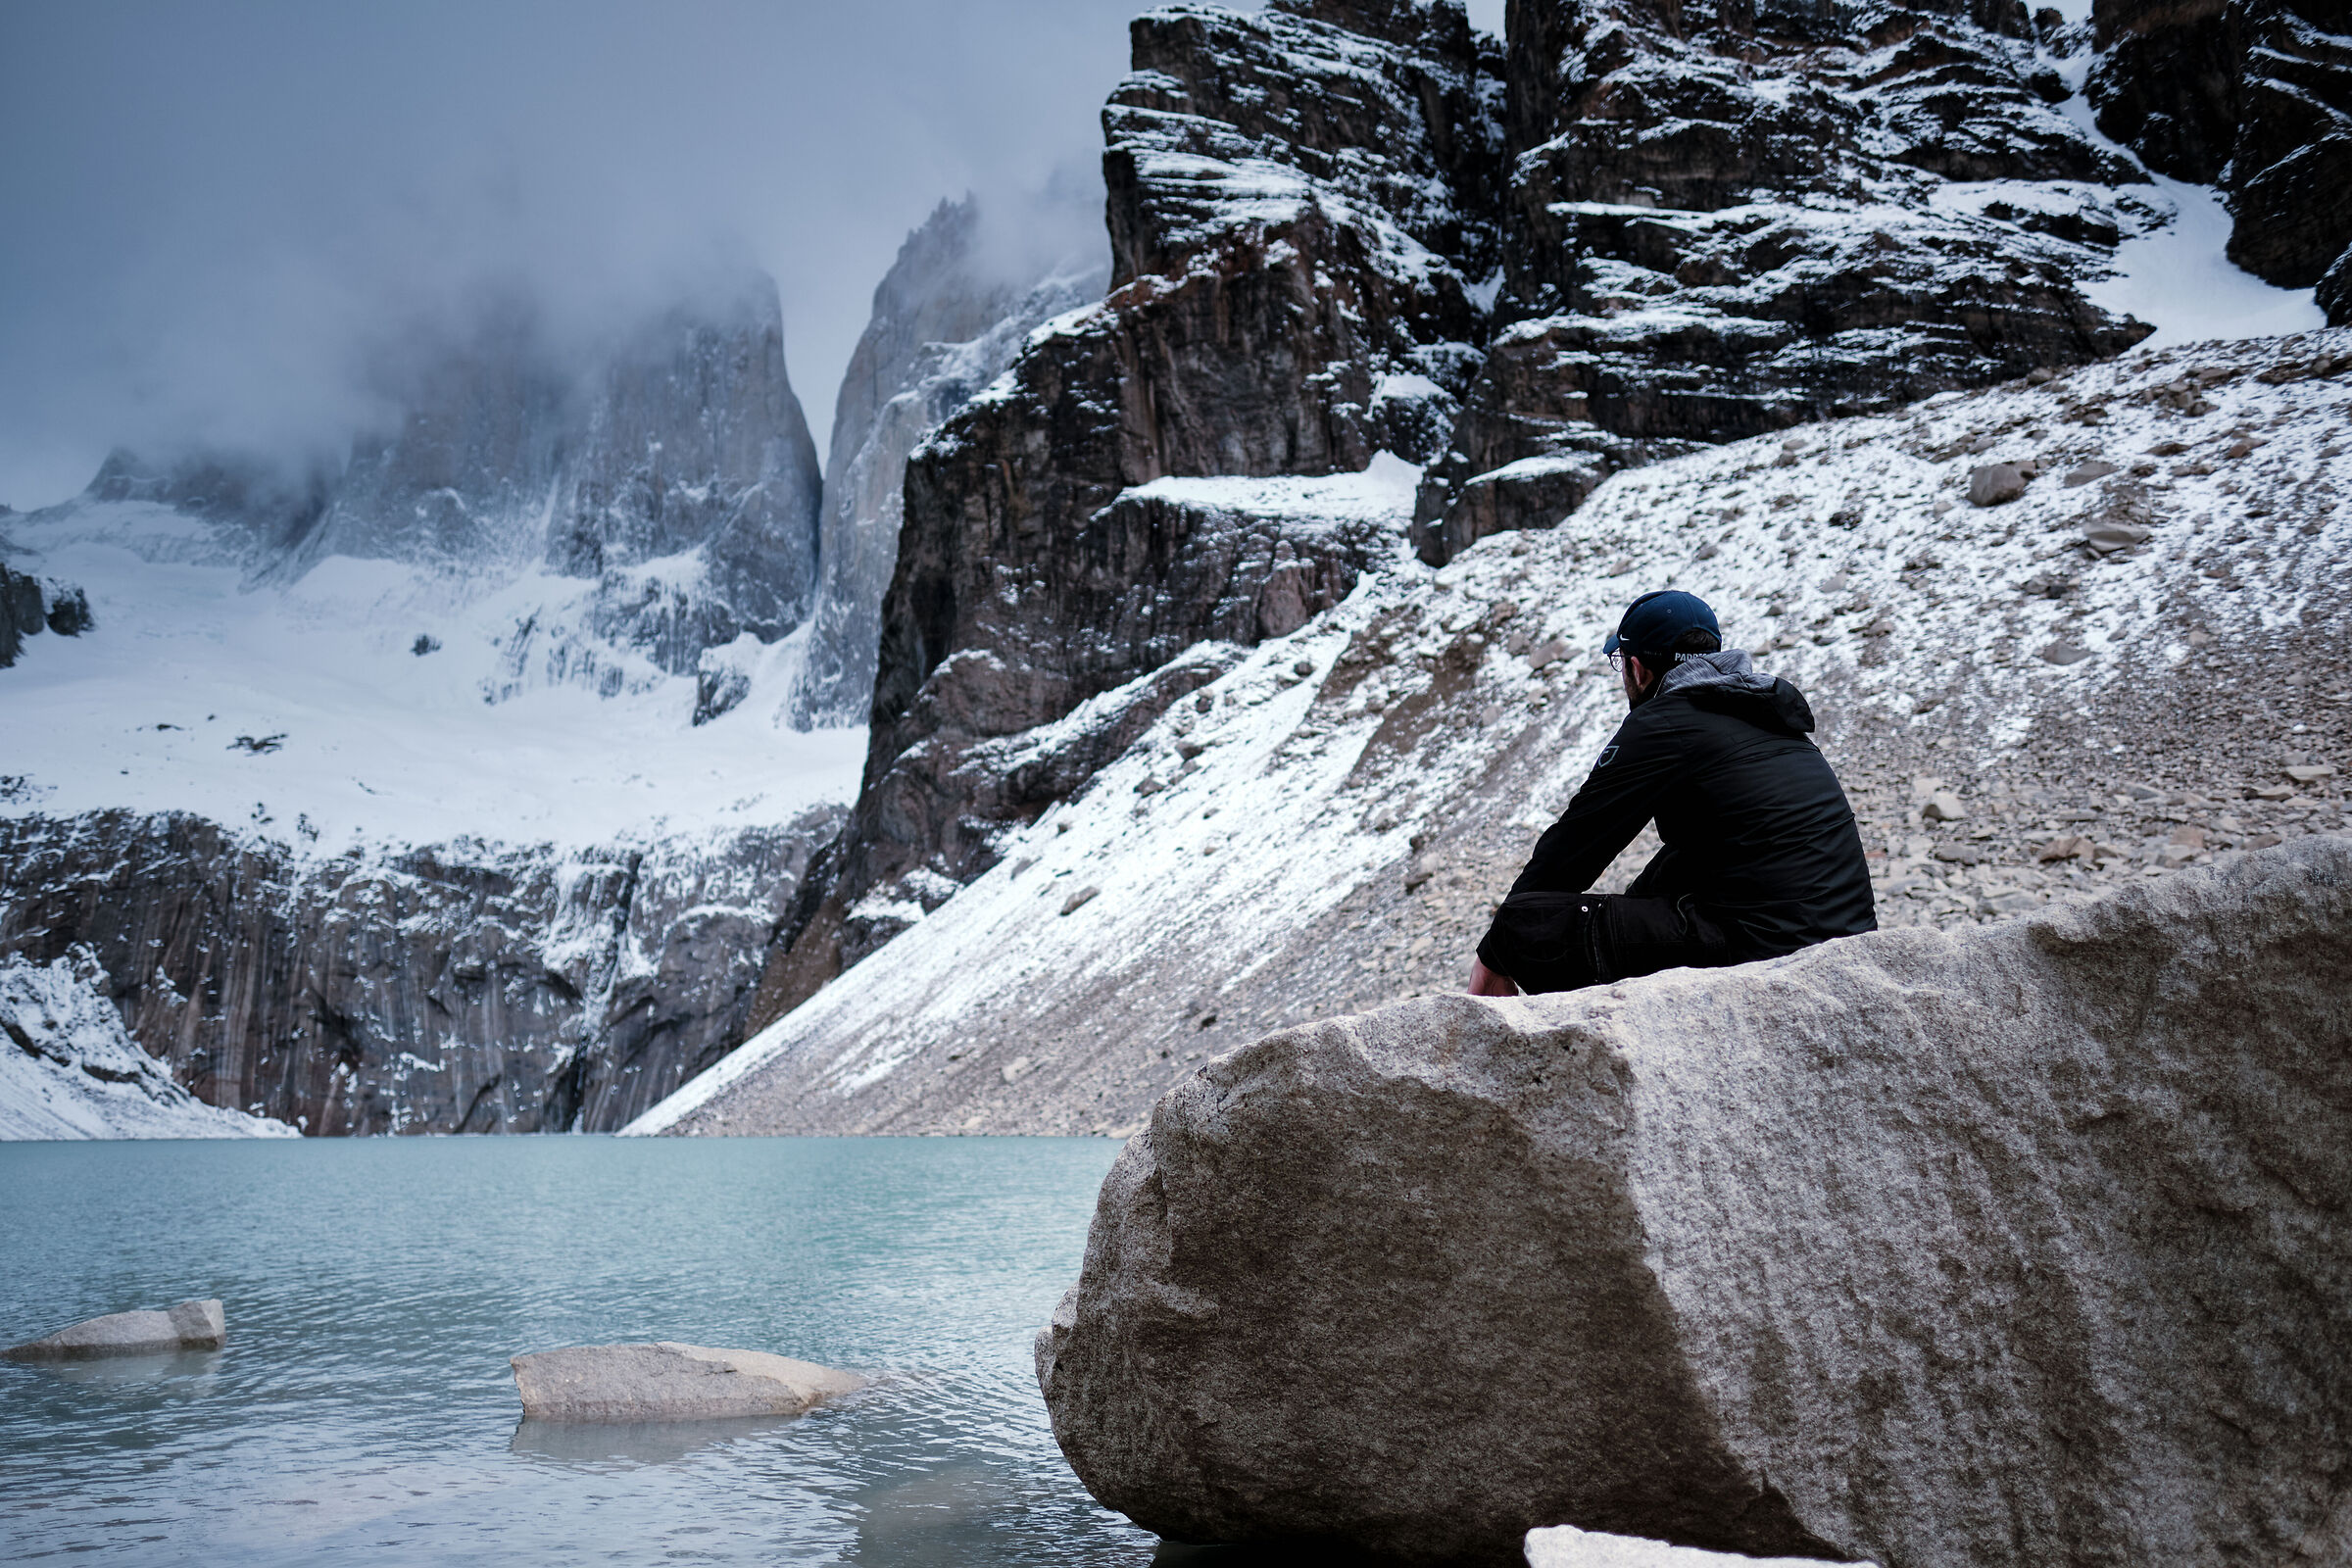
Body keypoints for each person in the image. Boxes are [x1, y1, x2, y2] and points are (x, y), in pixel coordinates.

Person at [1468, 589, 1875, 997]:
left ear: (1638, 670)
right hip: (1846, 942)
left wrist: (1499, 946)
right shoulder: (1762, 707)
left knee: (1522, 926)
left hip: (1765, 950)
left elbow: (1575, 846)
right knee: (1678, 859)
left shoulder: (1665, 723)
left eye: (1620, 664)